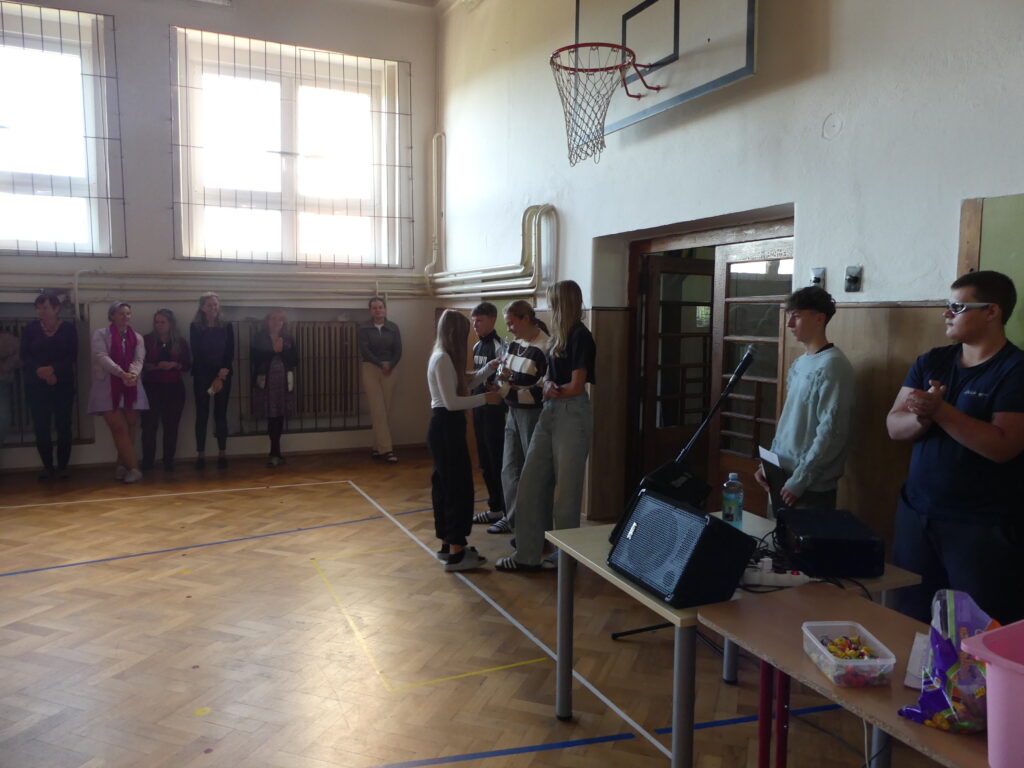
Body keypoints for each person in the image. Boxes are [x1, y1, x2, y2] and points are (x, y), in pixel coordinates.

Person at [886, 270, 1024, 625]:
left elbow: (1003, 446)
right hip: (917, 513)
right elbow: (894, 426)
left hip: (979, 526)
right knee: (908, 617)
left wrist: (941, 411)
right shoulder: (932, 361)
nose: (946, 314)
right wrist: (922, 418)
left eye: (958, 307)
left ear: (992, 311)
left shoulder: (1015, 369)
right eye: (947, 305)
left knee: (976, 628)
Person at [497, 281, 595, 572]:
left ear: (564, 303)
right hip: (551, 411)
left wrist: (553, 389)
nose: (550, 308)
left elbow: (576, 385)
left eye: (553, 302)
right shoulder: (558, 337)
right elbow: (549, 378)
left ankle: (565, 560)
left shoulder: (581, 336)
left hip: (572, 414)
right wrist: (550, 385)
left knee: (566, 493)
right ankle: (526, 554)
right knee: (530, 481)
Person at [753, 286, 855, 510]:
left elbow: (831, 432)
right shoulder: (800, 363)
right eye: (790, 316)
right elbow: (788, 423)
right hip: (780, 475)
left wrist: (800, 480)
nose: (790, 324)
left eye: (797, 316)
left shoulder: (833, 365)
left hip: (809, 487)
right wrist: (767, 465)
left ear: (819, 318)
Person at [428, 309, 503, 572]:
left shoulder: (443, 357)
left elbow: (463, 384)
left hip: (446, 429)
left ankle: (449, 545)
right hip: (445, 428)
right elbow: (452, 402)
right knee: (456, 490)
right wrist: (486, 399)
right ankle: (457, 552)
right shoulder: (442, 359)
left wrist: (488, 369)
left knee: (447, 487)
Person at [484, 300, 550, 535]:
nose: (509, 329)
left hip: (533, 416)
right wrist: (503, 381)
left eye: (512, 323)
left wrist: (504, 390)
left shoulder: (545, 347)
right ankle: (513, 520)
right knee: (509, 470)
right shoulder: (515, 344)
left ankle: (535, 527)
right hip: (512, 412)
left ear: (526, 319)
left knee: (531, 473)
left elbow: (539, 393)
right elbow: (505, 377)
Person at [87, 301, 148, 484]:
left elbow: (139, 359)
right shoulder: (100, 334)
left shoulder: (137, 337)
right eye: (121, 313)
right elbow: (101, 356)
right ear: (112, 316)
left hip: (130, 384)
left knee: (130, 426)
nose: (125, 317)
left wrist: (132, 374)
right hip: (108, 386)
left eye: (128, 313)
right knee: (119, 428)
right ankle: (135, 468)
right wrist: (120, 373)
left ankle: (122, 465)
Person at [20, 293, 78, 480]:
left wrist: (53, 370)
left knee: (64, 424)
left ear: (56, 308)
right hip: (36, 383)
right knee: (41, 425)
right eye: (38, 308)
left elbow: (72, 355)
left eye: (45, 307)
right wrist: (41, 371)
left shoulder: (68, 329)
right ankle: (47, 467)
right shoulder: (30, 329)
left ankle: (63, 467)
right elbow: (25, 355)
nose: (41, 311)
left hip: (63, 383)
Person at [468, 302, 508, 526]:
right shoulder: (476, 346)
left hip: (494, 410)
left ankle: (505, 510)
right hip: (478, 408)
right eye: (473, 321)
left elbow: (504, 379)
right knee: (483, 459)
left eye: (479, 321)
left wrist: (498, 389)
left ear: (492, 320)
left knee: (496, 459)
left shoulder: (500, 346)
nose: (475, 325)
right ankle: (494, 508)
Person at [141, 309, 191, 472]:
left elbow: (187, 365)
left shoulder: (180, 342)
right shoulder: (147, 340)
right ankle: (148, 462)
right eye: (157, 322)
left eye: (163, 322)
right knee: (149, 426)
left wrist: (174, 365)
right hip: (152, 387)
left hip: (174, 388)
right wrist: (156, 366)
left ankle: (168, 461)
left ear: (171, 324)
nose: (159, 325)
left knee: (171, 426)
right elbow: (139, 363)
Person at [190, 292, 234, 469]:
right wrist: (212, 377)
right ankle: (200, 455)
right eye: (209, 305)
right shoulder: (195, 327)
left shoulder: (227, 326)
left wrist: (220, 376)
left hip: (223, 375)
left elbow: (230, 352)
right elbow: (197, 354)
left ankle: (222, 453)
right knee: (202, 415)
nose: (213, 308)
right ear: (202, 308)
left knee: (221, 414)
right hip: (202, 375)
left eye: (215, 304)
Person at [358, 296, 402, 463]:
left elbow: (398, 350)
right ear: (370, 311)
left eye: (380, 307)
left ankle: (377, 447)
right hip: (370, 368)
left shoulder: (393, 328)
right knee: (378, 409)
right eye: (374, 308)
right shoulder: (363, 328)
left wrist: (390, 364)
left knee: (385, 409)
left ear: (385, 309)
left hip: (390, 369)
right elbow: (365, 350)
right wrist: (379, 364)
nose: (378, 310)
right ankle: (387, 450)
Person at [251, 309, 298, 467]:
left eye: (280, 319)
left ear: (284, 322)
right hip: (266, 382)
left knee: (280, 415)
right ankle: (274, 452)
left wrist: (282, 351)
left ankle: (276, 452)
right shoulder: (260, 337)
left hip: (283, 382)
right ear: (267, 321)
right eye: (273, 318)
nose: (276, 322)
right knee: (271, 415)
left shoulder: (288, 337)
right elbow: (254, 358)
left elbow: (295, 360)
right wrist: (273, 351)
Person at [0, 329, 19, 466]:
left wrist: (5, 366)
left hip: (2, 382)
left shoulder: (7, 339)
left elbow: (22, 355)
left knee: (3, 418)